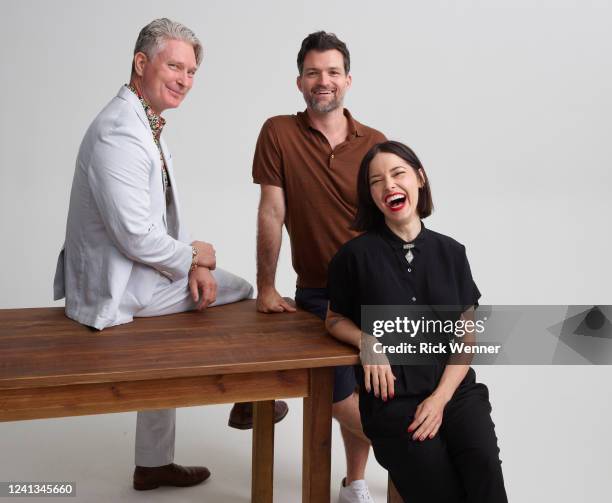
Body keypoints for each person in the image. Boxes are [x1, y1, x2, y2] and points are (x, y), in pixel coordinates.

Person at [53, 18, 254, 491]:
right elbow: (136, 236)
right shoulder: (119, 131)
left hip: (137, 276)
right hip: (119, 291)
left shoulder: (143, 121)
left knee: (189, 317)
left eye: (191, 72)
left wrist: (190, 265)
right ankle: (249, 396)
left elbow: (149, 227)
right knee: (241, 290)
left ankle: (152, 463)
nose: (184, 79)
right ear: (141, 63)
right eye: (175, 66)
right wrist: (195, 259)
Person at [325, 140, 508, 502]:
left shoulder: (452, 253)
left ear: (419, 179)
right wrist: (367, 341)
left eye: (398, 174)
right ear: (371, 195)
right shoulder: (354, 257)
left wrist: (439, 400)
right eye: (376, 181)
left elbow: (465, 339)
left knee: (484, 468)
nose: (389, 185)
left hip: (454, 392)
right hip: (393, 403)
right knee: (438, 487)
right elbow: (333, 319)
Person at [248, 31, 386, 503]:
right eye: (312, 73)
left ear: (348, 80)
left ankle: (355, 483)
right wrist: (266, 288)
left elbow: (392, 222)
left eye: (331, 73)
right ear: (299, 82)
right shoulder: (279, 133)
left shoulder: (376, 143)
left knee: (374, 385)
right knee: (335, 390)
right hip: (318, 293)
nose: (322, 81)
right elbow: (272, 212)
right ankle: (404, 443)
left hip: (376, 292)